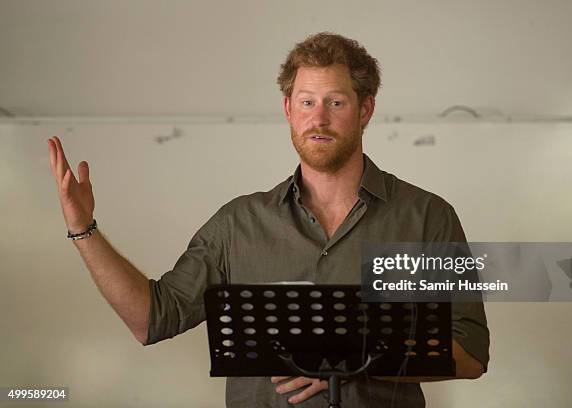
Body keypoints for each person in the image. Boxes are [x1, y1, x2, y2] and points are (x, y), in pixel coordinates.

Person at [48, 32, 489, 407]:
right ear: (288, 110)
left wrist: (355, 358)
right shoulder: (236, 225)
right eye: (307, 101)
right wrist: (83, 228)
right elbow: (152, 318)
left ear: (365, 109)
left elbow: (471, 353)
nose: (319, 118)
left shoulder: (428, 217)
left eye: (335, 102)